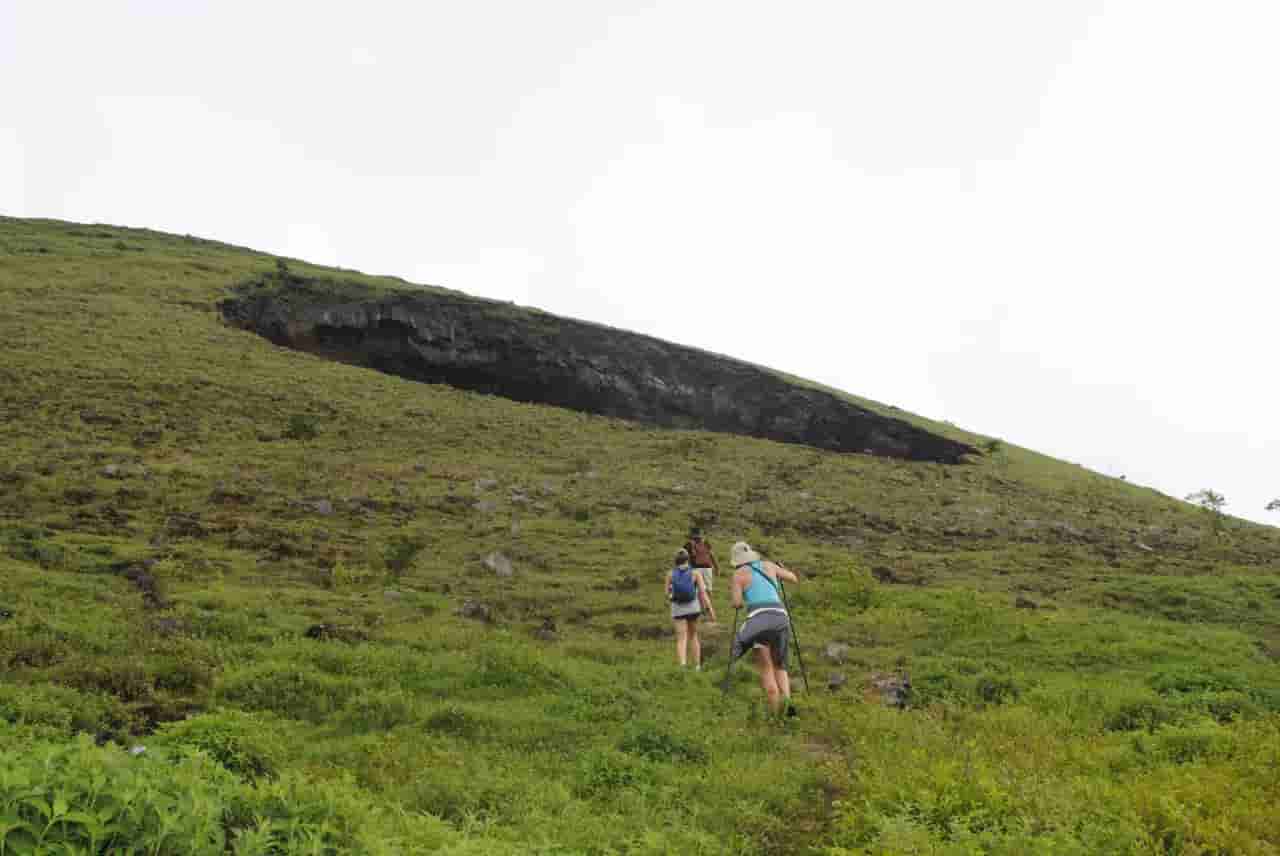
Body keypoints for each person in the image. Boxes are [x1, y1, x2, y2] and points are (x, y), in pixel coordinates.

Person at [727, 541, 799, 715]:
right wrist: (781, 569)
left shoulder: (738, 575)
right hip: (780, 617)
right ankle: (788, 703)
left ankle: (774, 714)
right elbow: (793, 578)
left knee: (766, 668)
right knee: (780, 665)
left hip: (758, 621)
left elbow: (737, 603)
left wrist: (740, 599)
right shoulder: (768, 565)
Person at [667, 548, 717, 669]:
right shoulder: (695, 573)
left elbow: (667, 593)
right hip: (693, 608)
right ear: (688, 560)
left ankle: (682, 666)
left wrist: (672, 596)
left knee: (681, 638)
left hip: (678, 609)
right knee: (693, 636)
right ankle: (697, 667)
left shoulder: (670, 574)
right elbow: (703, 594)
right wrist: (710, 610)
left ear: (676, 561)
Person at [682, 527, 721, 593]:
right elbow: (711, 555)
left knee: (696, 589)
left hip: (696, 568)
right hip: (707, 568)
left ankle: (698, 602)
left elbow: (683, 557)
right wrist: (717, 567)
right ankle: (708, 602)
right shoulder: (705, 542)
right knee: (708, 589)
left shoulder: (689, 544)